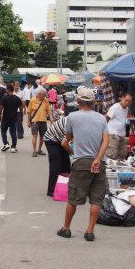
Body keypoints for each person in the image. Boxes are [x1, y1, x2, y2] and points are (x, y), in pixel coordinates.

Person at [57, 86, 110, 242]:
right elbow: (106, 140)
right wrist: (97, 159)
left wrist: (74, 153)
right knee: (96, 199)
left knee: (73, 198)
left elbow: (67, 139)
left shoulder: (72, 117)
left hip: (80, 162)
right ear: (93, 102)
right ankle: (89, 232)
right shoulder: (101, 118)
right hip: (99, 163)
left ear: (78, 101)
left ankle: (66, 229)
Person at [44, 115, 70, 196]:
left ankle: (63, 187)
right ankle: (51, 190)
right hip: (51, 140)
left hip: (61, 139)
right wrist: (74, 153)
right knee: (56, 165)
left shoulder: (77, 122)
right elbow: (65, 144)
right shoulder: (70, 124)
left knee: (66, 164)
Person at [106, 93, 132, 159]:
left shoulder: (127, 109)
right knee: (112, 154)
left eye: (129, 101)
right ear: (122, 98)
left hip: (122, 135)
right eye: (126, 100)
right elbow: (107, 118)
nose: (127, 102)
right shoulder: (115, 107)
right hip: (113, 134)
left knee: (122, 155)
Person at [27, 87, 52, 157]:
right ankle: (34, 151)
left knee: (43, 137)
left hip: (43, 121)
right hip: (35, 121)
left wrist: (51, 118)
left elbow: (48, 110)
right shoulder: (33, 100)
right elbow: (29, 112)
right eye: (43, 95)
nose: (44, 97)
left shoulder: (46, 100)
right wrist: (28, 121)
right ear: (39, 94)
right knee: (35, 136)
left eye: (45, 95)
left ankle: (39, 150)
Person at [0, 83, 24, 152]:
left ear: (8, 90)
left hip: (5, 118)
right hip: (14, 118)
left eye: (6, 89)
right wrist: (21, 117)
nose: (5, 90)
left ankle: (5, 144)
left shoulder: (4, 97)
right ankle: (13, 147)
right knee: (13, 132)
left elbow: (1, 108)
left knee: (3, 130)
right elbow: (21, 109)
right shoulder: (17, 99)